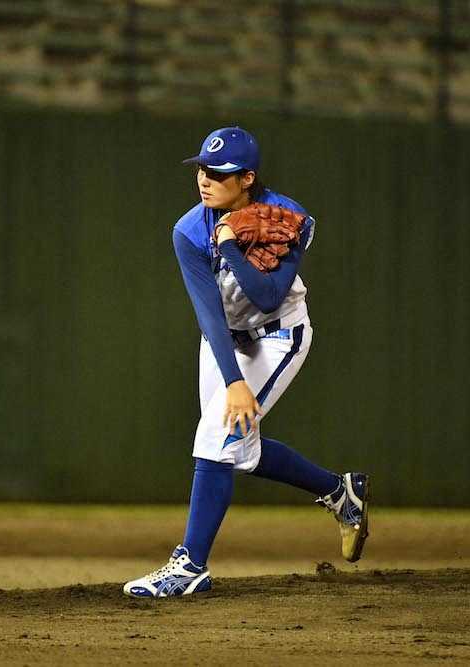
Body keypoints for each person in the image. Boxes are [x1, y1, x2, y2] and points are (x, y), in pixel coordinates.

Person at [122, 127, 370, 598]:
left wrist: (232, 246)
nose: (205, 179)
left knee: (217, 438)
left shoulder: (288, 217)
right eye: (202, 169)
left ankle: (190, 565)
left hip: (279, 335)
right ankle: (341, 492)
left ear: (247, 178)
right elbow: (208, 314)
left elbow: (269, 295)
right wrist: (234, 379)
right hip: (222, 339)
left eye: (219, 173)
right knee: (236, 447)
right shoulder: (188, 231)